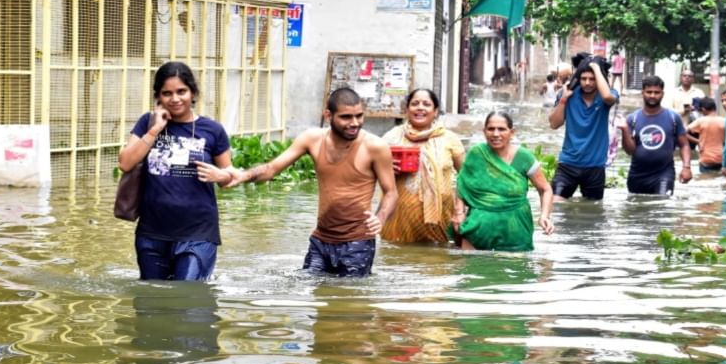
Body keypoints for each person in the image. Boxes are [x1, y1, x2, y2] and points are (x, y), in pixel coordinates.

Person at [231, 87, 396, 277]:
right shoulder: (312, 139)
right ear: (328, 115)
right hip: (321, 239)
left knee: (349, 293)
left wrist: (380, 218)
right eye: (346, 117)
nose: (354, 123)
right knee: (310, 286)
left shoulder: (375, 146)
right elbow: (271, 169)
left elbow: (391, 192)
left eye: (359, 116)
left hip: (358, 241)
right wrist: (241, 176)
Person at [119, 61, 236, 280]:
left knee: (187, 293)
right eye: (167, 93)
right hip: (152, 232)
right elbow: (125, 163)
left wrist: (221, 175)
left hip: (198, 233)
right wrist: (154, 130)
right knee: (152, 297)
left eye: (181, 91)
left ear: (193, 93)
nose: (175, 99)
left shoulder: (212, 130)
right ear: (158, 96)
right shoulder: (147, 123)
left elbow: (230, 175)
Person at [453, 112, 554, 252]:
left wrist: (544, 216)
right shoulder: (477, 154)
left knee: (514, 265)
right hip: (477, 229)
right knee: (470, 265)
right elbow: (462, 185)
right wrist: (459, 213)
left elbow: (545, 189)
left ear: (512, 132)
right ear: (484, 131)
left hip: (515, 229)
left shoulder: (524, 157)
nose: (495, 134)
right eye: (491, 129)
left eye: (501, 129)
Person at [378, 88, 465, 246]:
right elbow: (369, 173)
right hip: (400, 217)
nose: (420, 108)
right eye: (415, 104)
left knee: (439, 256)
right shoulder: (392, 137)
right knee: (398, 254)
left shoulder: (449, 138)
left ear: (435, 111)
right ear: (407, 109)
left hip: (442, 217)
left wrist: (460, 211)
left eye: (426, 104)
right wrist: (385, 169)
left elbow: (465, 177)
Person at [547, 57, 620, 200]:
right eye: (583, 78)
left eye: (592, 79)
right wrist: (564, 99)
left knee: (592, 210)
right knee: (555, 203)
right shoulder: (567, 94)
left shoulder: (609, 94)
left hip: (595, 166)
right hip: (568, 164)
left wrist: (596, 67)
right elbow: (554, 124)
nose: (587, 83)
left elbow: (607, 97)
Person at [620, 75, 694, 196]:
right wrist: (624, 130)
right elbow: (629, 151)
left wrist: (686, 167)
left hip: (664, 173)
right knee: (636, 206)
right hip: (637, 175)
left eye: (656, 92)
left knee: (662, 203)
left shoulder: (673, 117)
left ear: (662, 94)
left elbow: (684, 144)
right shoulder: (632, 119)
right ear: (643, 93)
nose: (652, 95)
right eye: (649, 92)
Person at [688, 97, 726, 176]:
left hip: (706, 159)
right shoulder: (724, 121)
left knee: (705, 179)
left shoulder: (701, 121)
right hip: (722, 158)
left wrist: (698, 141)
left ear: (703, 109)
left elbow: (682, 133)